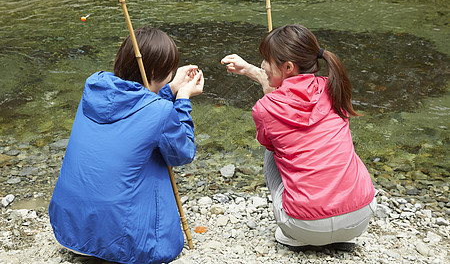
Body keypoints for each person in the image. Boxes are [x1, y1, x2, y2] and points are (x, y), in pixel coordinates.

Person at [49, 26, 204, 263]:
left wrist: (168, 89)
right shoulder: (159, 111)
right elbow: (183, 153)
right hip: (120, 244)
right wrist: (181, 99)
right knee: (159, 158)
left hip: (70, 230)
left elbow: (137, 109)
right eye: (169, 71)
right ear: (154, 70)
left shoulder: (94, 87)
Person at [221, 24, 376, 251]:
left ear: (289, 66)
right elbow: (288, 88)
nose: (262, 65)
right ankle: (341, 234)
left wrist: (263, 87)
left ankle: (295, 236)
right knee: (337, 146)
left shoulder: (265, 108)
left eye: (266, 60)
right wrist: (250, 70)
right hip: (360, 217)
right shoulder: (332, 88)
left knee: (271, 152)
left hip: (306, 227)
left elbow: (272, 143)